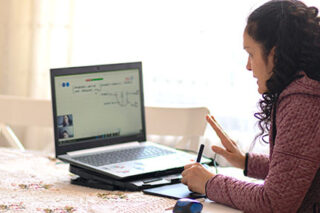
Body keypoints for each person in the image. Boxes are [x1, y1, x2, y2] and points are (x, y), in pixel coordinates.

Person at [181, 0, 320, 212]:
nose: (248, 66)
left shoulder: (303, 102)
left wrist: (208, 182)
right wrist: (244, 161)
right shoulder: (308, 90)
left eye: (251, 53)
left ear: (274, 54)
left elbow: (274, 202)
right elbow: (295, 173)